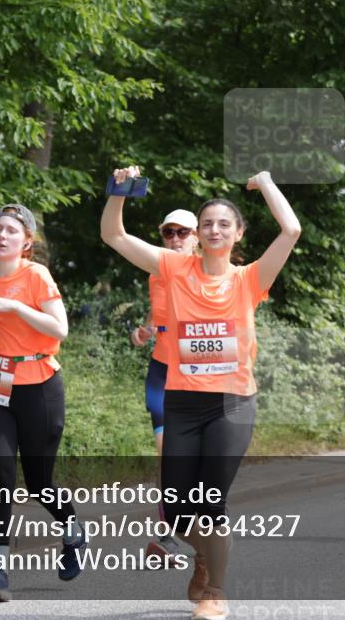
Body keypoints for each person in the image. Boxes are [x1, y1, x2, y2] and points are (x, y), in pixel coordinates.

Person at [102, 166, 300, 620]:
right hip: (184, 402)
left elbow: (291, 229)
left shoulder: (249, 279)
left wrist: (266, 182)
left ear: (238, 234)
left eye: (223, 224)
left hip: (231, 403)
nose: (213, 229)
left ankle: (216, 590)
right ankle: (211, 552)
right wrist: (119, 190)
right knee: (175, 510)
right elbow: (114, 235)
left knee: (212, 502)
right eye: (206, 222)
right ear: (198, 231)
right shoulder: (174, 266)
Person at [0, 204, 86, 602]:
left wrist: (17, 305)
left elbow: (59, 328)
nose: (2, 236)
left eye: (11, 231)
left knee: (38, 483)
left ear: (26, 242)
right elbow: (1, 325)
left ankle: (72, 531)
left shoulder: (36, 275)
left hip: (40, 385)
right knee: (0, 477)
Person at [130, 209, 200, 564]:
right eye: (168, 233)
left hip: (197, 378)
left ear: (197, 237)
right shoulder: (156, 273)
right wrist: (143, 331)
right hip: (161, 374)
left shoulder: (209, 274)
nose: (174, 239)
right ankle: (167, 533)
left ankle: (193, 528)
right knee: (166, 452)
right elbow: (155, 315)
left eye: (182, 233)